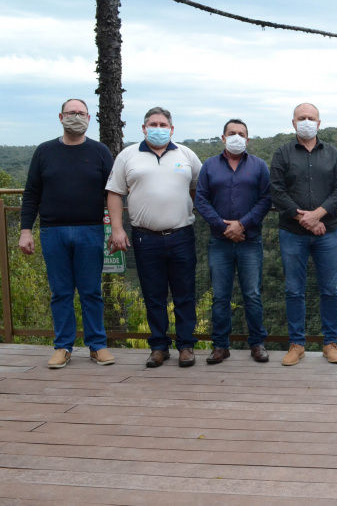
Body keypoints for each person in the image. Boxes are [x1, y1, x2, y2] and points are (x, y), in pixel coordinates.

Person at [19, 98, 115, 369]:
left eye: (81, 113)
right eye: (71, 113)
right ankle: (63, 347)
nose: (76, 116)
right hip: (52, 232)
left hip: (91, 230)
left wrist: (115, 228)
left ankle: (97, 346)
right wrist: (26, 230)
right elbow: (31, 195)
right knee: (60, 292)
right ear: (61, 117)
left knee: (91, 292)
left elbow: (113, 193)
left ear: (89, 117)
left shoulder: (100, 152)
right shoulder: (44, 152)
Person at [107, 107, 202, 368]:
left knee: (184, 294)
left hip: (182, 235)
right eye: (152, 124)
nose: (157, 128)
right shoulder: (127, 155)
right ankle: (159, 346)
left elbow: (199, 187)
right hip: (144, 238)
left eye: (163, 124)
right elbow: (114, 193)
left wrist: (186, 208)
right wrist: (117, 229)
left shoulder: (186, 154)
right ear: (143, 127)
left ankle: (185, 346)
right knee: (153, 294)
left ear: (171, 129)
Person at [270, 103, 337, 366]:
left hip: (328, 232)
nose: (306, 121)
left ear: (319, 122)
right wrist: (304, 218)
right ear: (293, 123)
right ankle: (296, 344)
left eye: (310, 118)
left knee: (329, 290)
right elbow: (277, 191)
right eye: (301, 118)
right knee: (294, 290)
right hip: (292, 232)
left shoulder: (332, 153)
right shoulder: (282, 153)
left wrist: (318, 215)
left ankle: (330, 343)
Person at [194, 119, 272, 364]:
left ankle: (257, 344)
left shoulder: (259, 166)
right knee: (220, 296)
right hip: (220, 241)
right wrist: (223, 226)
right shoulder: (209, 166)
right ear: (223, 137)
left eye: (241, 133)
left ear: (247, 139)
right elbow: (201, 200)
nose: (236, 136)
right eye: (232, 133)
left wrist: (242, 224)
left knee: (252, 294)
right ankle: (220, 346)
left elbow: (266, 199)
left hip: (250, 240)